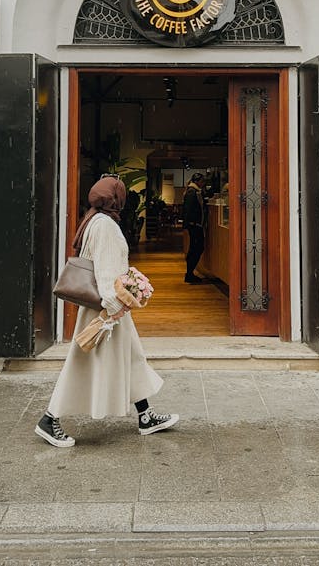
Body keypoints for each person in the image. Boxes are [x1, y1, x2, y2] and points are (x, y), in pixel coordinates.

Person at [35, 174, 179, 447]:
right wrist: (115, 308)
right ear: (117, 198)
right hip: (105, 311)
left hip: (105, 309)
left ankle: (145, 415)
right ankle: (49, 419)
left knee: (132, 356)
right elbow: (106, 272)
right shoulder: (106, 227)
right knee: (82, 362)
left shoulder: (93, 219)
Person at [182, 172, 206, 284]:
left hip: (195, 224)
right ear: (197, 181)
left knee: (195, 248)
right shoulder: (193, 192)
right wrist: (190, 223)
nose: (203, 183)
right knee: (196, 248)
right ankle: (189, 274)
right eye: (202, 181)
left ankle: (190, 273)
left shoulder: (194, 191)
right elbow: (189, 209)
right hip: (195, 225)